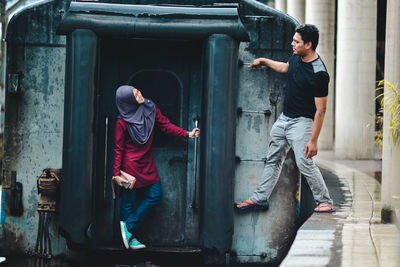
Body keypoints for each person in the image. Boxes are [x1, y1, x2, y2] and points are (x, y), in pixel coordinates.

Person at [235, 24, 334, 213]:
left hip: (302, 123)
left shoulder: (319, 73)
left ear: (309, 44)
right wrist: (263, 60)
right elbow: (285, 68)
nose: (292, 44)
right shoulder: (297, 57)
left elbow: (321, 111)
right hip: (284, 120)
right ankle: (260, 198)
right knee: (272, 159)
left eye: (296, 41)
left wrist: (313, 140)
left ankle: (325, 201)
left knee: (304, 162)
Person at [113, 85, 200, 250]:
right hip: (130, 166)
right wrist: (116, 173)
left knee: (155, 195)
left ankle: (128, 228)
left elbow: (165, 125)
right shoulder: (121, 122)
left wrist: (187, 134)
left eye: (138, 90)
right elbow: (118, 148)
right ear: (128, 101)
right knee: (128, 203)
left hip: (147, 162)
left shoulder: (150, 107)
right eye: (135, 94)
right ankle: (127, 241)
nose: (140, 93)